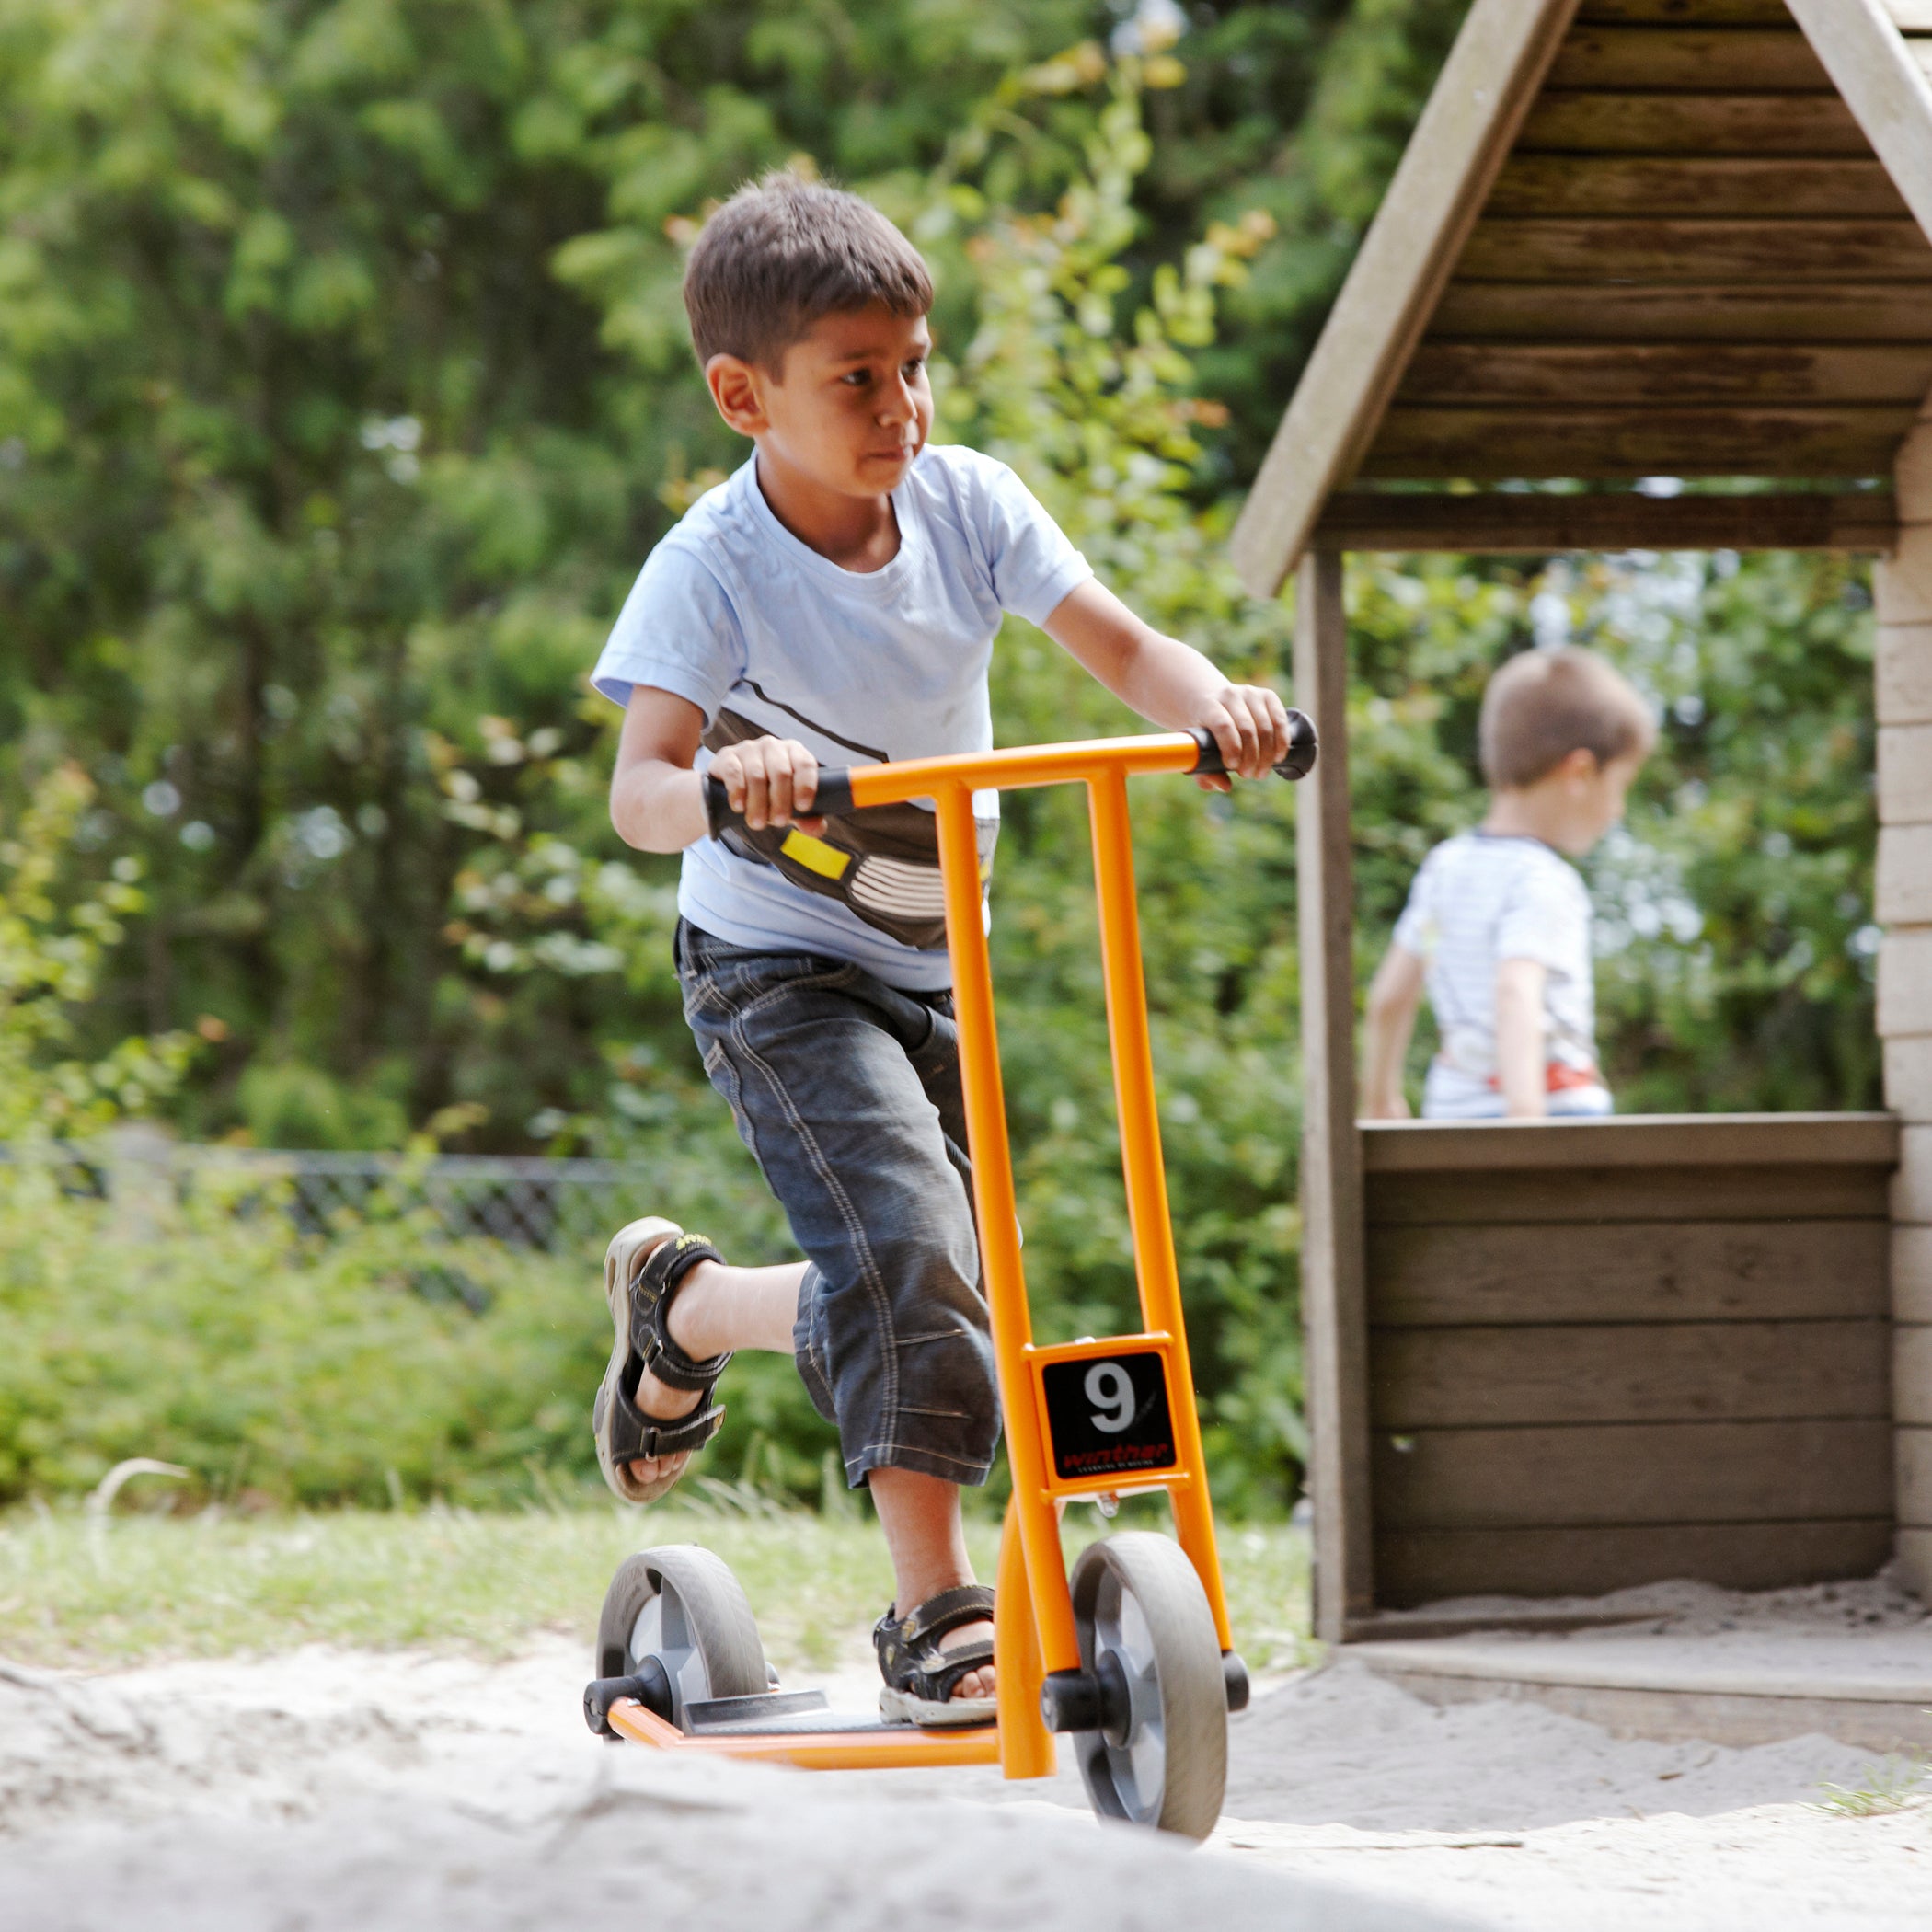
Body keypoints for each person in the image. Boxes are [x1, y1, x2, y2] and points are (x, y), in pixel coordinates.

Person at [584, 171, 1293, 1725]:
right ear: (741, 396)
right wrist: (715, 784)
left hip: (935, 962)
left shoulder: (969, 503)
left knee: (953, 1271)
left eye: (914, 366)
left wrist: (1213, 705)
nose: (899, 403)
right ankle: (934, 1610)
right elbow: (639, 792)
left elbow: (1116, 642)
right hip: (774, 972)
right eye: (857, 378)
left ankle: (690, 1312)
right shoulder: (712, 567)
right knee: (910, 1245)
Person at [1362, 646, 1655, 1122]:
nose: (1618, 810)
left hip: (1452, 1118)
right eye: (1620, 787)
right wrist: (1525, 1126)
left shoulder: (1443, 869)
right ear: (1579, 772)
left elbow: (1391, 998)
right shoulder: (1543, 880)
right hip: (1547, 1120)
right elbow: (1516, 992)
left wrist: (1380, 1098)